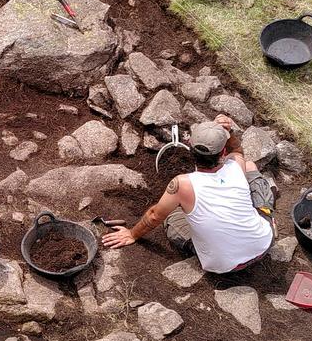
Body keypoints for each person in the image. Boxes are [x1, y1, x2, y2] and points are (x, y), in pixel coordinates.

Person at [102, 115, 275, 274]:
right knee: (250, 166)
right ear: (222, 153)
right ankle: (268, 212)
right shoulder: (235, 165)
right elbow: (237, 150)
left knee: (173, 216)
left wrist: (132, 234)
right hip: (264, 244)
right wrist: (228, 132)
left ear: (190, 148)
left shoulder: (182, 184)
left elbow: (154, 216)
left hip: (226, 266)